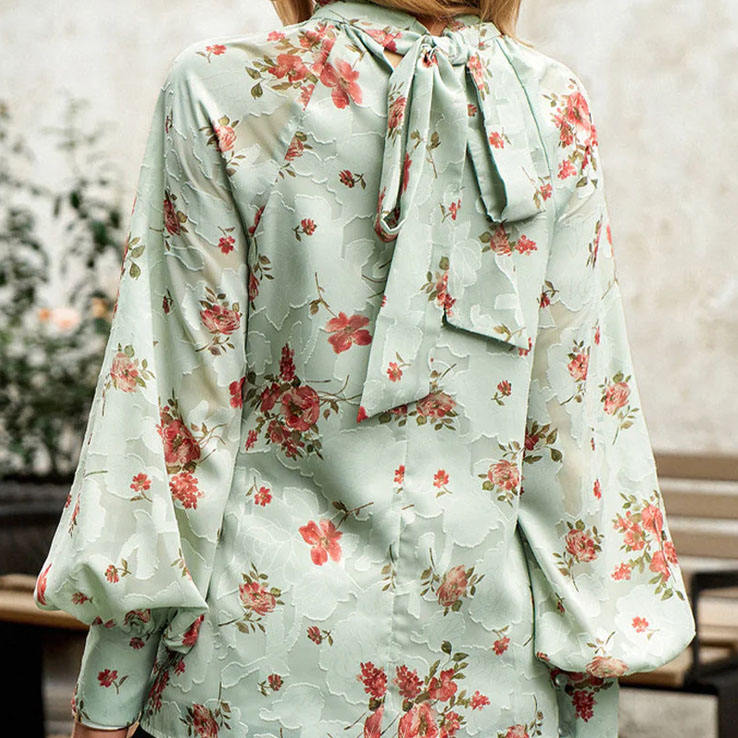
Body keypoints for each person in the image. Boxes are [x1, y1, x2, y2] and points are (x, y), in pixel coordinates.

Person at [34, 1, 697, 736]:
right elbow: (577, 433)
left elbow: (175, 416)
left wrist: (110, 689)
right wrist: (591, 704)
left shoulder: (228, 89)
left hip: (250, 680)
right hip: (490, 689)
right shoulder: (551, 105)